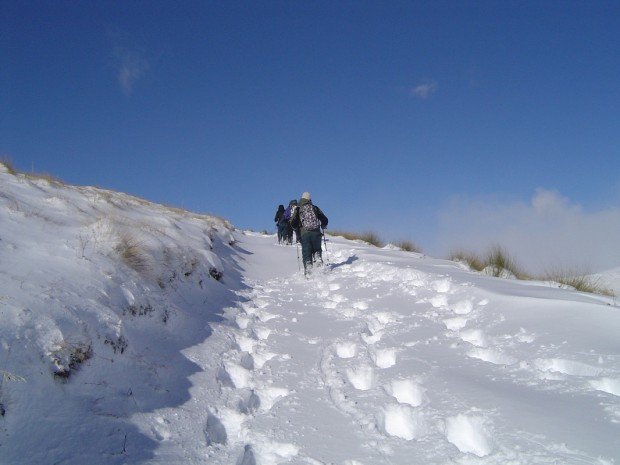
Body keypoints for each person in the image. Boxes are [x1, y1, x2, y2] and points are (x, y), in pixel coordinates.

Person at [290, 192, 328, 274]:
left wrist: (297, 229)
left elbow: (293, 222)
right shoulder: (314, 208)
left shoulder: (298, 209)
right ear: (309, 199)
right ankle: (318, 258)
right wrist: (323, 225)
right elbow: (325, 219)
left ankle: (308, 267)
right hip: (316, 232)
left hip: (305, 234)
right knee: (317, 249)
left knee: (306, 252)